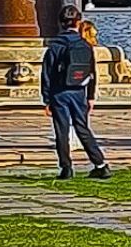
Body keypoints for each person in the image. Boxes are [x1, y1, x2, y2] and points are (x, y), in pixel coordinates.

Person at [40, 11, 110, 179]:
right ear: (78, 22)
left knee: (61, 130)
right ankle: (100, 163)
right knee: (82, 128)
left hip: (59, 93)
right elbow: (92, 72)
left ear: (61, 23)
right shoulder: (85, 45)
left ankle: (66, 167)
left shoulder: (55, 46)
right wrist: (91, 96)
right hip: (79, 92)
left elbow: (46, 74)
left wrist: (46, 99)